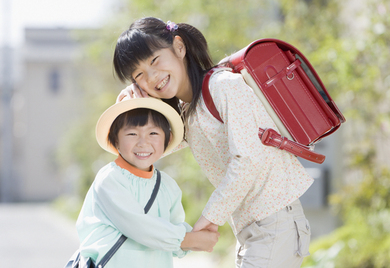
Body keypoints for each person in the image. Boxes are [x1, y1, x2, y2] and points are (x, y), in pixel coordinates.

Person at [113, 17, 314, 268]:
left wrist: (209, 218)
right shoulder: (189, 111)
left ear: (179, 47)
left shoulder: (223, 86)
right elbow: (146, 151)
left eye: (155, 61)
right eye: (139, 75)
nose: (153, 77)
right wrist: (132, 109)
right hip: (253, 231)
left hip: (275, 224)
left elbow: (248, 159)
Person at [76, 97, 220, 268]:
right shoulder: (110, 179)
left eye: (153, 133)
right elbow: (139, 227)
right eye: (132, 134)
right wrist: (191, 239)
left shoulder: (167, 186)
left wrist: (198, 236)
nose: (143, 142)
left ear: (168, 139)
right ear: (115, 140)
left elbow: (172, 231)